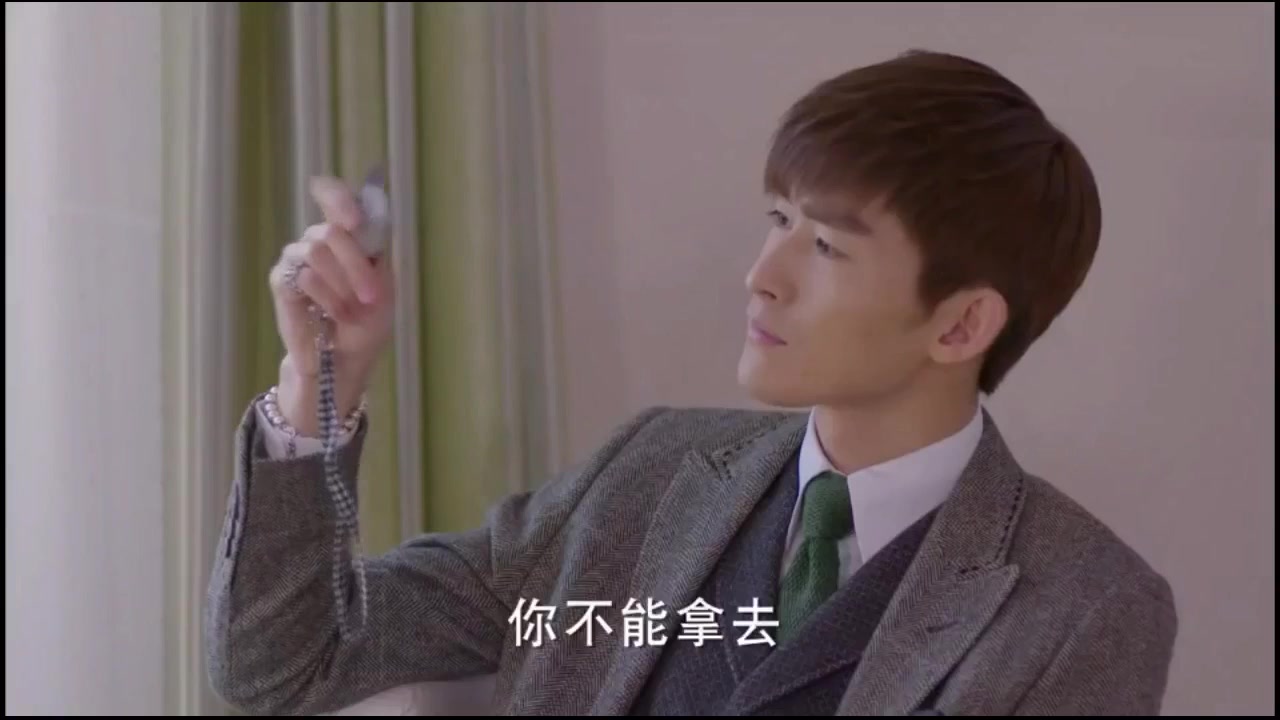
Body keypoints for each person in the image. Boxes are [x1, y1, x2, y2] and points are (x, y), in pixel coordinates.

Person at [206, 49, 1177, 716]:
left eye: (826, 245)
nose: (762, 275)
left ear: (961, 324)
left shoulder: (1082, 606)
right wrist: (317, 388)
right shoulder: (651, 471)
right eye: (777, 219)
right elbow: (285, 664)